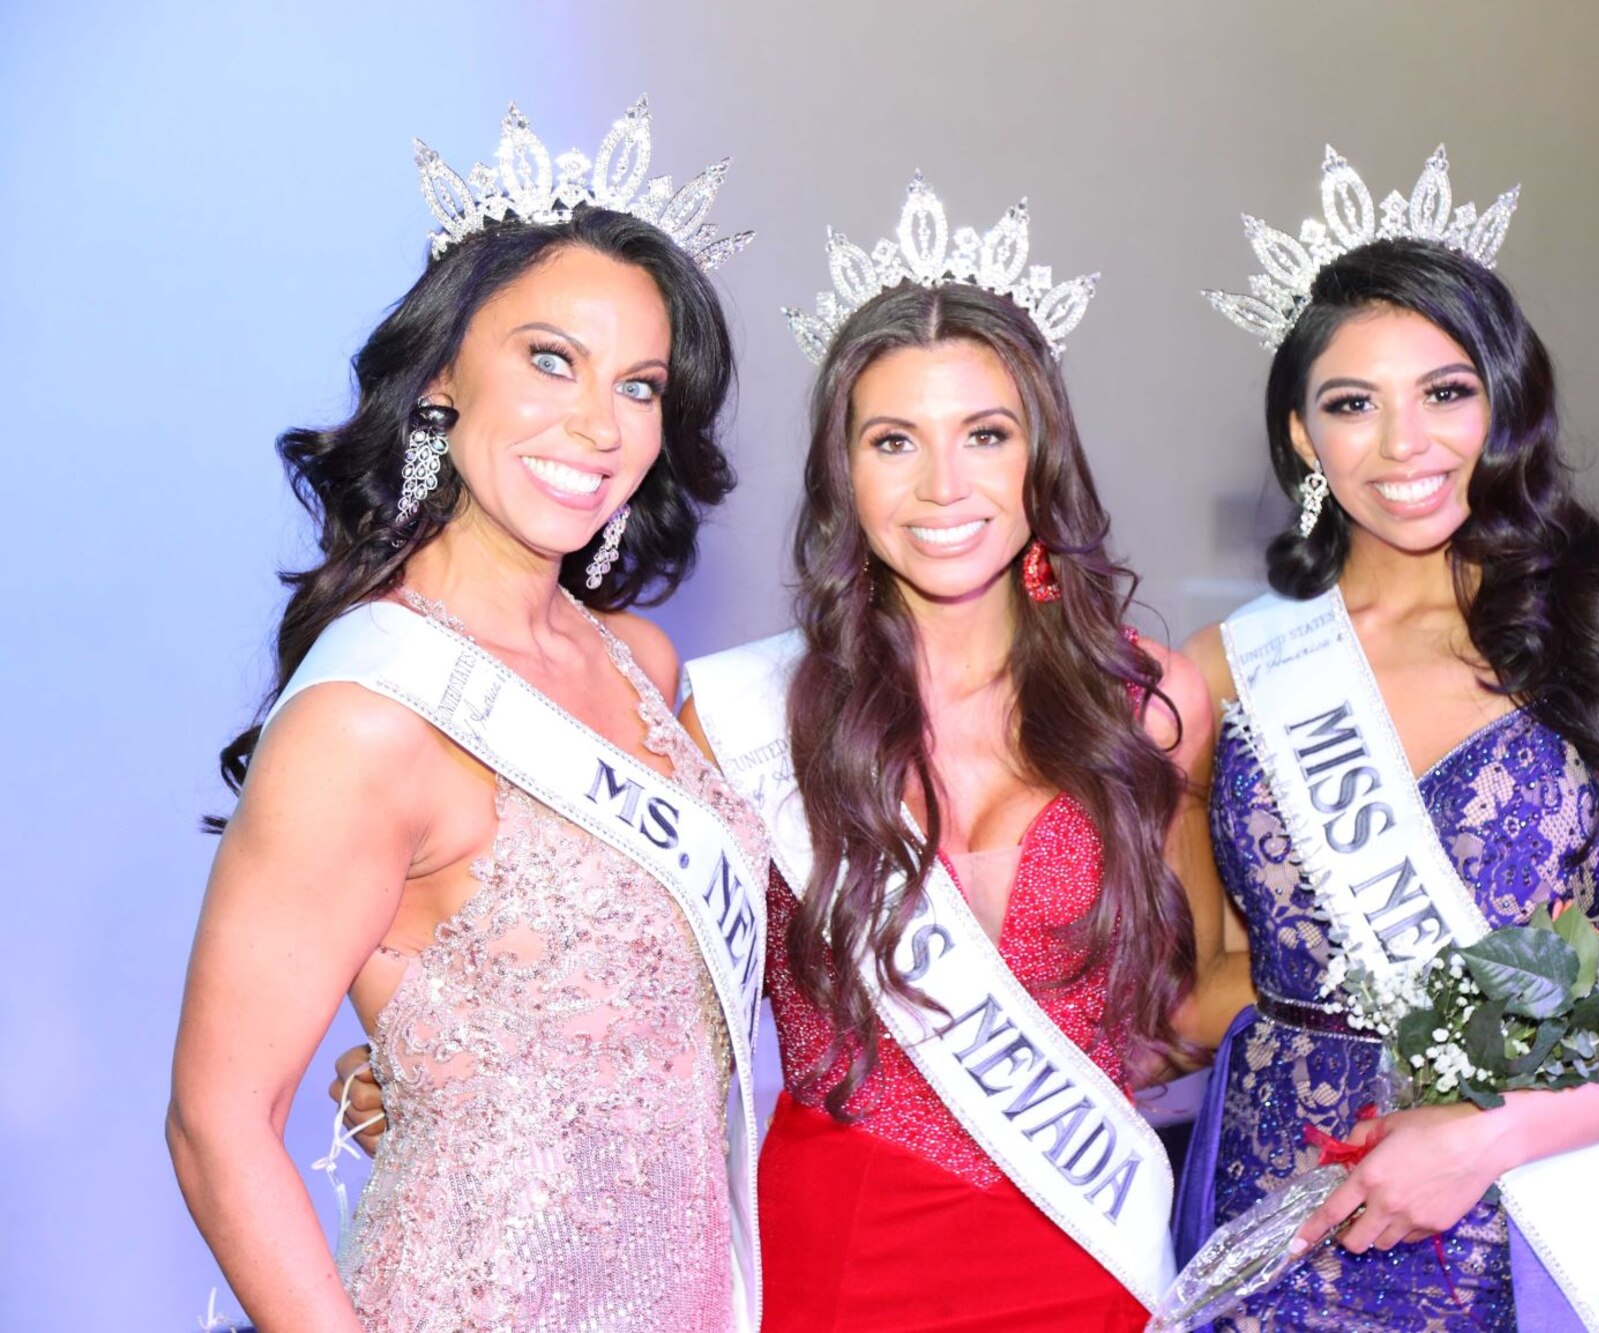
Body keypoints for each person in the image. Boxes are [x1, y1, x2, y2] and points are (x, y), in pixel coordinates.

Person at [337, 174, 1227, 1331]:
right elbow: (615, 981)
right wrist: (449, 1072)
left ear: (1039, 461)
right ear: (842, 479)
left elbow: (1202, 982)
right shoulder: (740, 718)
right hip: (834, 1257)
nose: (943, 485)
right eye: (893, 440)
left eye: (986, 435)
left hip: (1089, 1252)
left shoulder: (1151, 707)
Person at [166, 100, 770, 1332]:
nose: (599, 426)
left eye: (639, 385)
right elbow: (215, 1123)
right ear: (443, 379)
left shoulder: (642, 660)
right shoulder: (369, 713)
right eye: (551, 359)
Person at [1173, 146, 1599, 1331]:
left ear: (1503, 401)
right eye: (1350, 403)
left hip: (1519, 1231)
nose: (1402, 444)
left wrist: (1485, 1132)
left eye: (1442, 392)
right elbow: (1179, 984)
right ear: (1299, 437)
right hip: (1273, 1221)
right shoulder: (1227, 672)